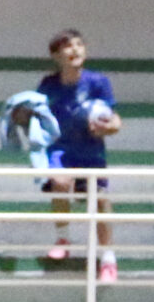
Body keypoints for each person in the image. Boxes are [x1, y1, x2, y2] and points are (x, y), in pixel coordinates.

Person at [39, 29, 118, 282]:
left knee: (99, 200)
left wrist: (112, 126)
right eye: (67, 46)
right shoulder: (48, 85)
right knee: (59, 182)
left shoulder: (98, 82)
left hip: (90, 151)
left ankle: (107, 258)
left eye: (79, 45)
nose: (74, 50)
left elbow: (114, 119)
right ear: (56, 56)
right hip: (61, 149)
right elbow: (37, 114)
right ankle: (63, 238)